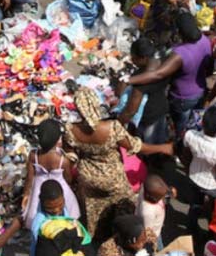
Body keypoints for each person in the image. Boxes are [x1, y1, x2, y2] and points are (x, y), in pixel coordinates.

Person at [65, 87, 172, 241]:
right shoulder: (111, 127)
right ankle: (122, 235)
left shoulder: (70, 130)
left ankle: (97, 237)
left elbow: (71, 156)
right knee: (124, 205)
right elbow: (136, 146)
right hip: (113, 179)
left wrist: (72, 179)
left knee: (93, 209)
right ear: (96, 104)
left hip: (88, 179)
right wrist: (163, 147)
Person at [23, 120, 80, 228]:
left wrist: (26, 195)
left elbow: (29, 179)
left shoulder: (33, 155)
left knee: (39, 221)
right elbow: (68, 179)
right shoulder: (63, 160)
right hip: (59, 191)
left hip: (38, 191)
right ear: (58, 139)